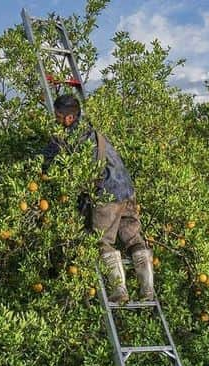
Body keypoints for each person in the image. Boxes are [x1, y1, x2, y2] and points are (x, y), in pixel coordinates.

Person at [42, 94, 154, 303]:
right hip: (127, 190)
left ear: (69, 118)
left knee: (101, 241)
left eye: (58, 115)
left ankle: (119, 290)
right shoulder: (92, 131)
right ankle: (147, 289)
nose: (55, 119)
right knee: (132, 238)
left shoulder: (71, 138)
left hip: (108, 194)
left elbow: (48, 162)